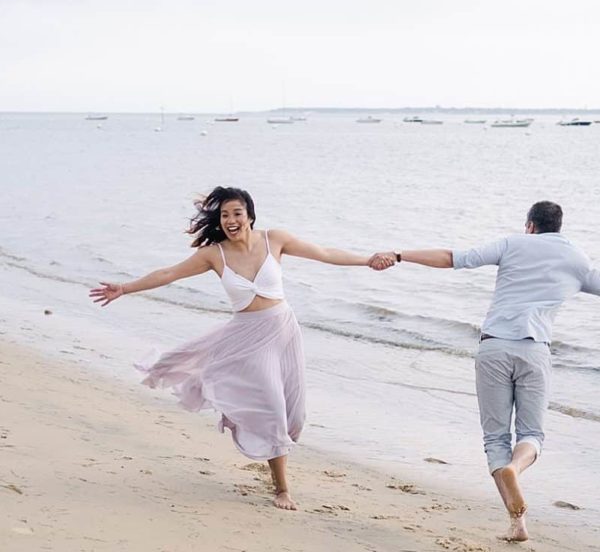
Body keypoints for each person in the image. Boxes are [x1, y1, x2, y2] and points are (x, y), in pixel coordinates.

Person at [90, 186, 391, 511]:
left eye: (237, 213)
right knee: (273, 408)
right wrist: (125, 288)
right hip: (248, 338)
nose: (231, 220)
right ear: (219, 221)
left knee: (295, 414)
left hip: (284, 333)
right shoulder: (213, 254)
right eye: (225, 215)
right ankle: (282, 489)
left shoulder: (274, 239)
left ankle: (272, 454)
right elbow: (169, 273)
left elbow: (325, 253)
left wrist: (366, 260)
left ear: (249, 214)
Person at [369, 201, 600, 541]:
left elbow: (453, 258)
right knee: (532, 435)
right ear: (559, 227)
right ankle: (516, 470)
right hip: (535, 352)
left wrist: (399, 254)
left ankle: (517, 523)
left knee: (495, 439)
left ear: (530, 226)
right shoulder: (577, 260)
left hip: (494, 348)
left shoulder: (512, 244)